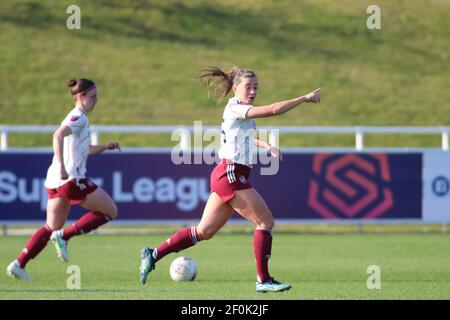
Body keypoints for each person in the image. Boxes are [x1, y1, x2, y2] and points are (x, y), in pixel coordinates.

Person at [139, 66, 320, 292]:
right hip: (231, 173)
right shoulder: (236, 108)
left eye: (256, 87)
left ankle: (153, 255)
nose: (253, 91)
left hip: (228, 173)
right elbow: (273, 110)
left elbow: (247, 136)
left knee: (203, 232)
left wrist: (266, 145)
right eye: (248, 87)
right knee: (265, 221)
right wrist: (303, 98)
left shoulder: (240, 110)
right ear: (235, 89)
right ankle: (263, 280)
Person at [6, 78, 121, 281]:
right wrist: (61, 165)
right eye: (93, 97)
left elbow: (83, 151)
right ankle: (64, 236)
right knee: (110, 210)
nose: (96, 101)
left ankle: (19, 263)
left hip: (55, 182)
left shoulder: (77, 118)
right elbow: (57, 135)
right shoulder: (79, 117)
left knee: (51, 226)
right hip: (71, 179)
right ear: (80, 96)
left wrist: (105, 146)